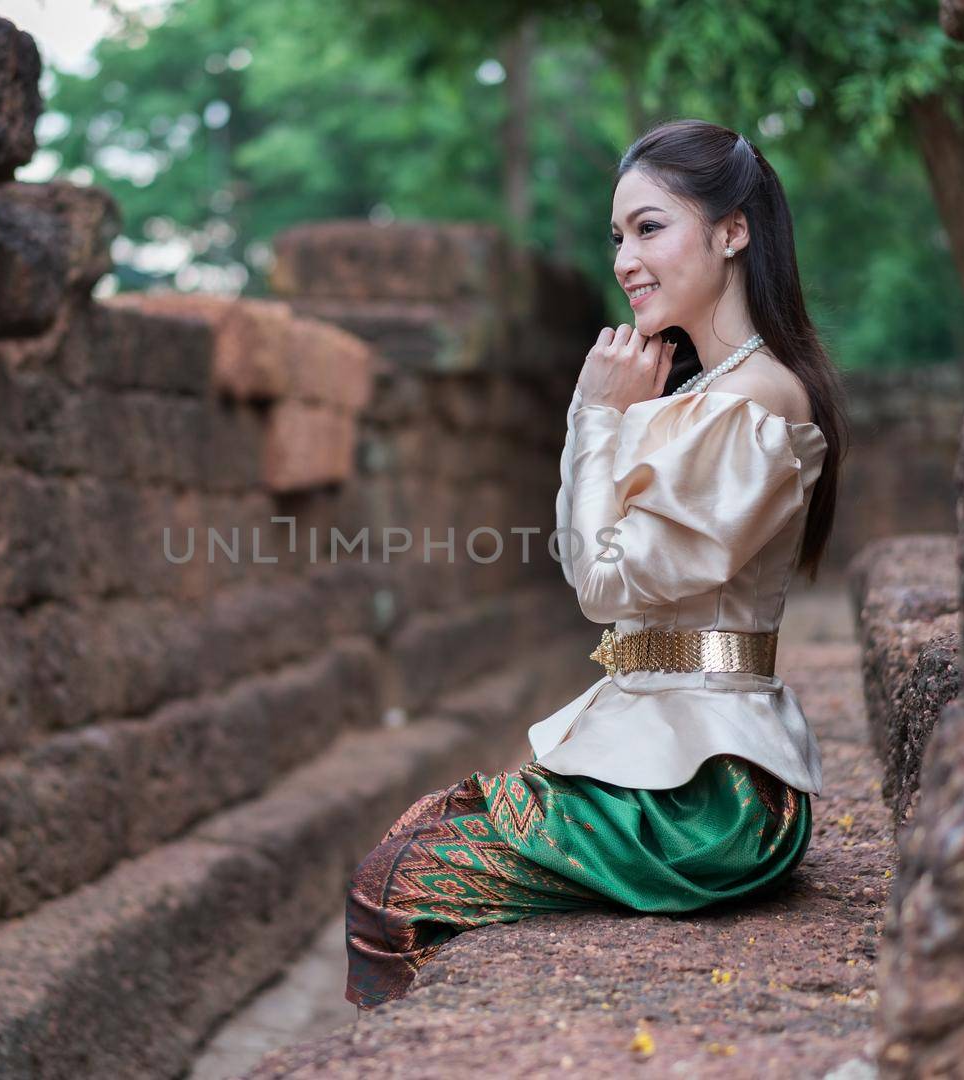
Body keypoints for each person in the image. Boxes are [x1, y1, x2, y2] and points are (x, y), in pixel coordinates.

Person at [344, 118, 850, 1012]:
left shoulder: (753, 401)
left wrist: (594, 416)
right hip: (670, 770)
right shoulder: (702, 392)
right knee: (412, 848)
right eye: (617, 236)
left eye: (650, 227)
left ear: (734, 231)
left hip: (712, 799)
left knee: (401, 878)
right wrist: (612, 418)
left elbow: (600, 583)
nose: (625, 258)